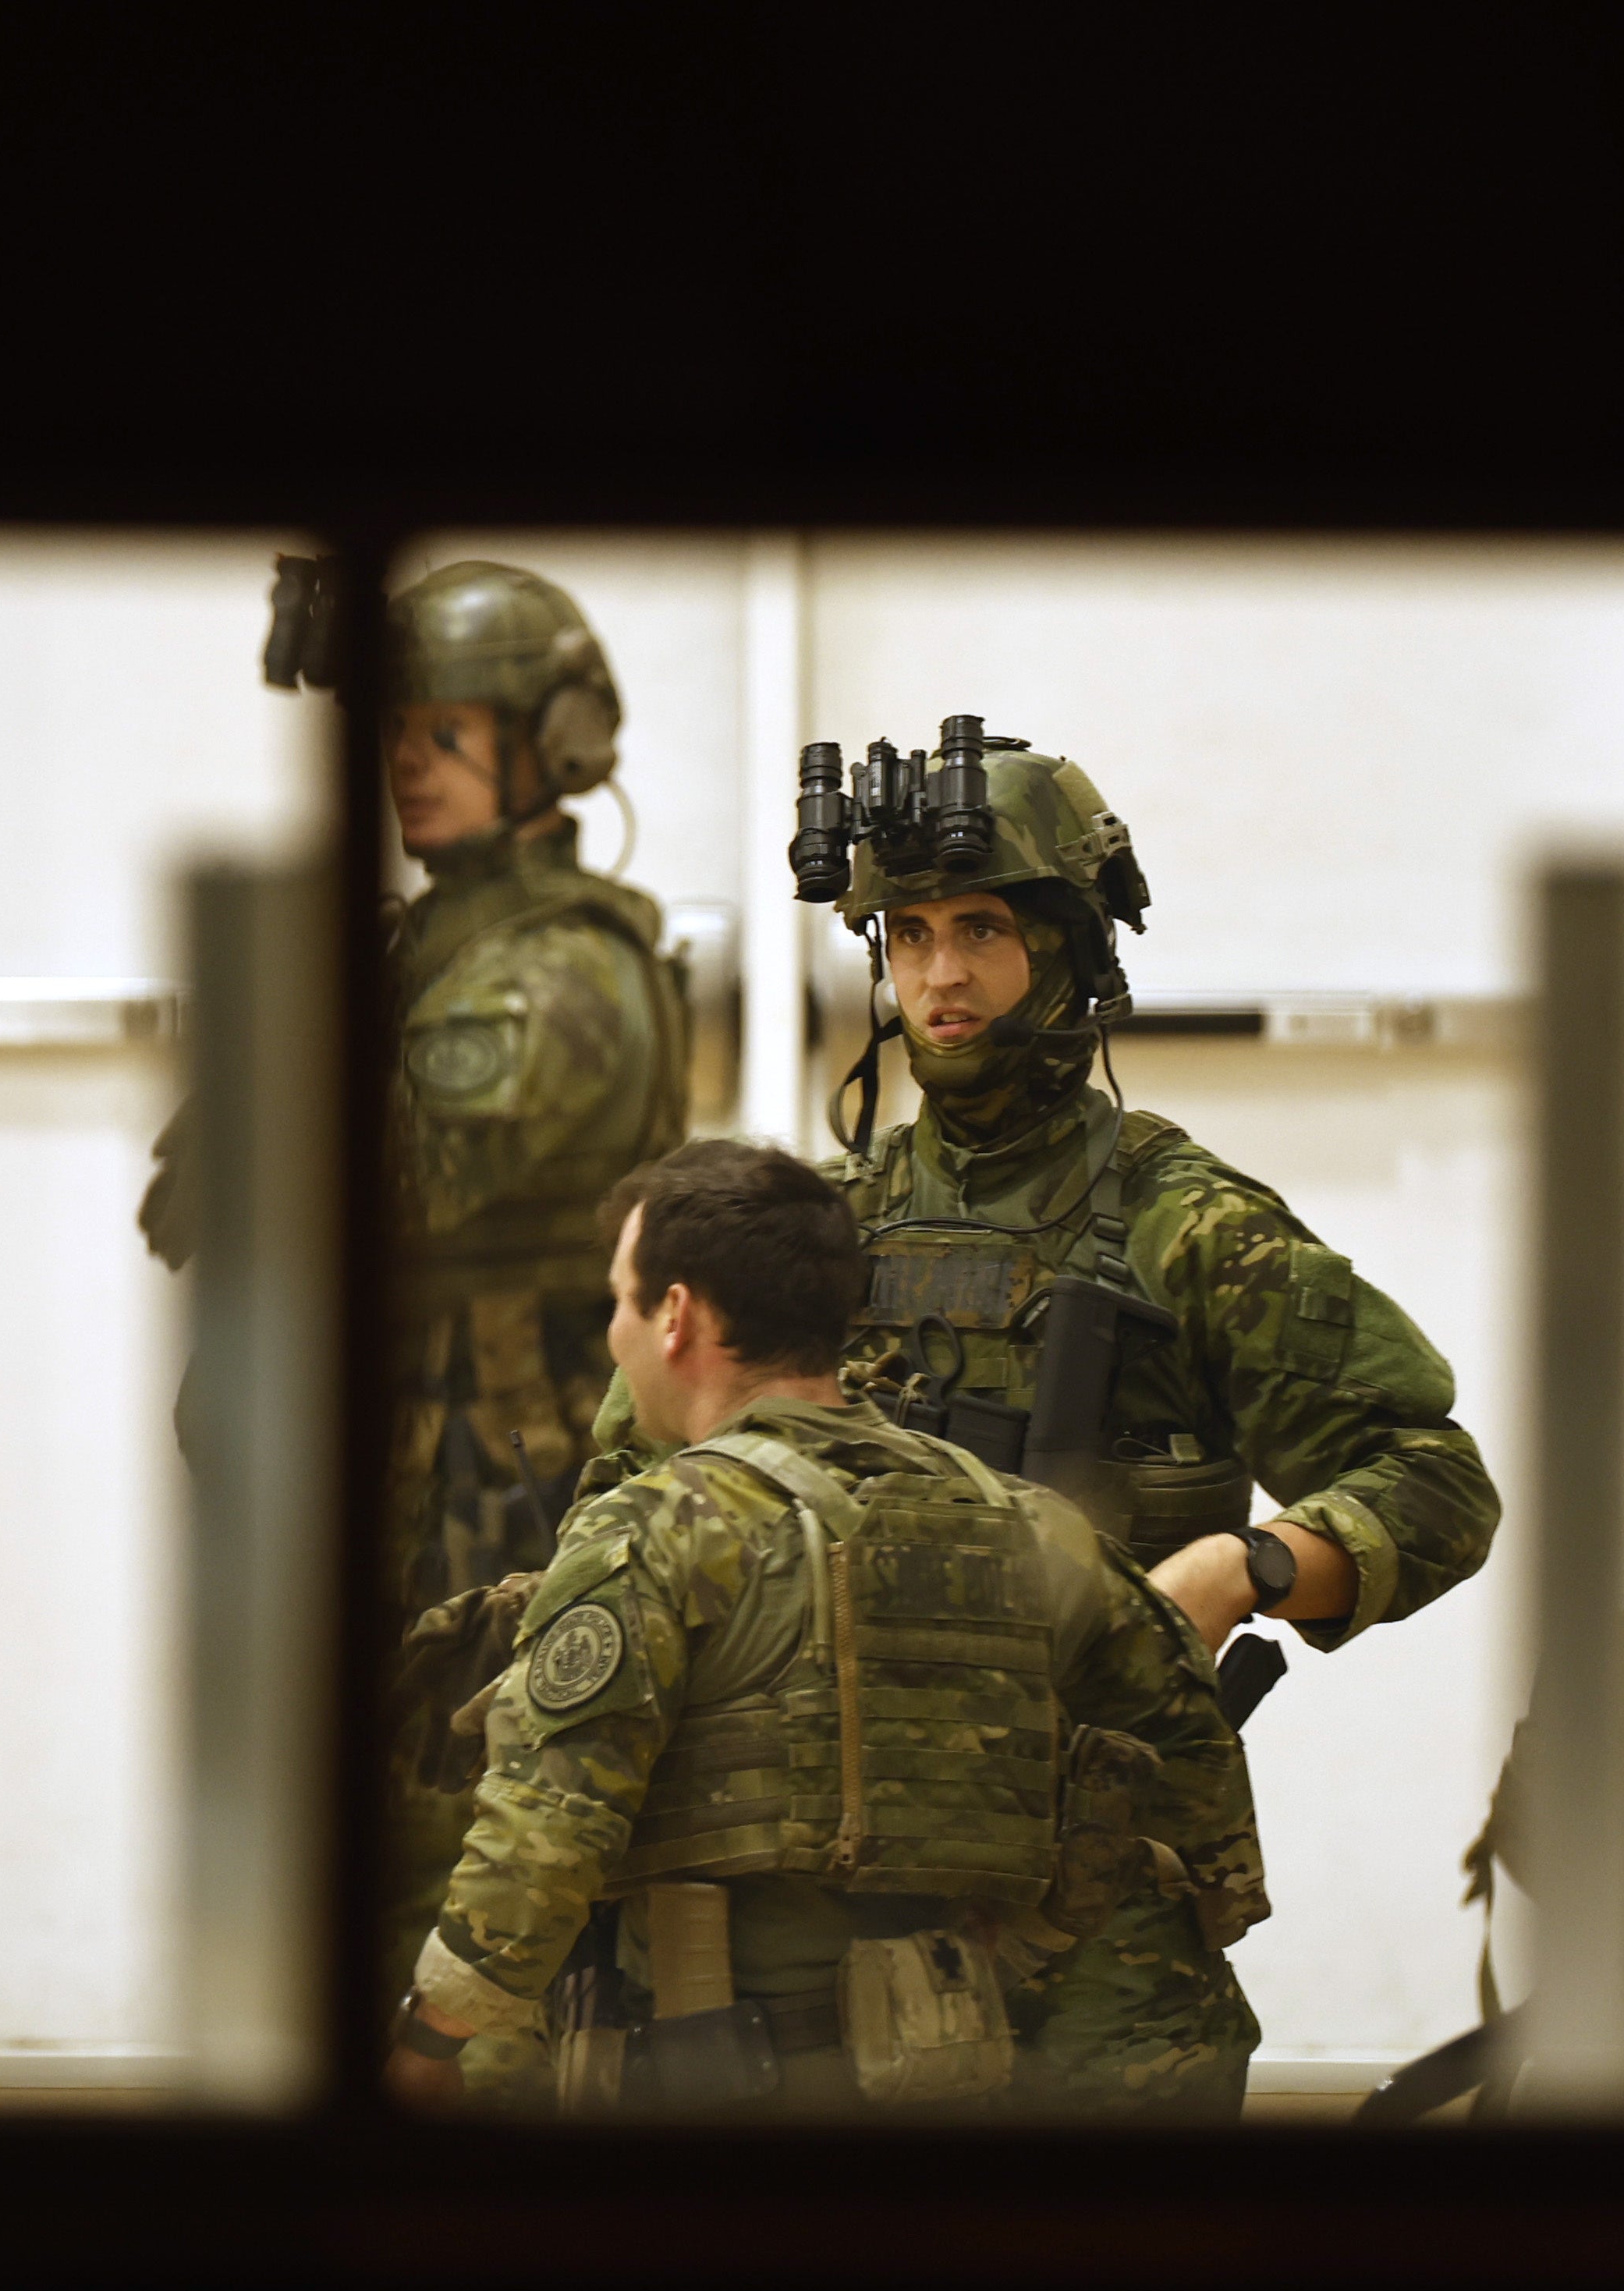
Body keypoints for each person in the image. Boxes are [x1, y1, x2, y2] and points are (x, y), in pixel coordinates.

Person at [797, 726, 1503, 2114]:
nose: (939, 976)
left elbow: (1433, 1474)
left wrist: (1246, 1566)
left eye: (982, 929)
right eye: (910, 933)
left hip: (1101, 1909)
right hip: (841, 1887)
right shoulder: (829, 1228)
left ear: (1065, 948)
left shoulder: (1181, 1220)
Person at [390, 1138, 1263, 2115]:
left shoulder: (657, 1529)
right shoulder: (1035, 1528)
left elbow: (544, 1839)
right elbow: (1199, 1814)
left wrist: (429, 2039)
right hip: (965, 2076)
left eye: (620, 1303)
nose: (613, 1338)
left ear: (676, 1316)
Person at [150, 559, 690, 2014]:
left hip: (500, 1498)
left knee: (465, 1881)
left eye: (445, 731)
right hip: (386, 1485)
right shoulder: (421, 950)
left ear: (554, 747)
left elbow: (360, 1181)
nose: (405, 761)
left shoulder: (563, 969)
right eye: (398, 728)